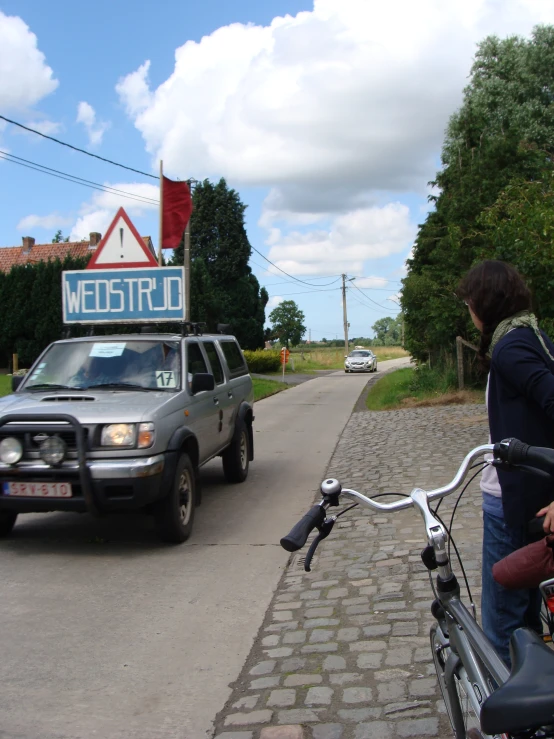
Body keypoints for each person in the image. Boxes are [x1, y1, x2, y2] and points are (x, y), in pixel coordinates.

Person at [457, 260, 554, 666]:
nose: (469, 312)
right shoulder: (531, 334)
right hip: (533, 496)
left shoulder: (510, 347)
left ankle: (506, 723)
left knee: (502, 625)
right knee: (527, 619)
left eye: (469, 303)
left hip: (512, 504)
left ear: (484, 302)